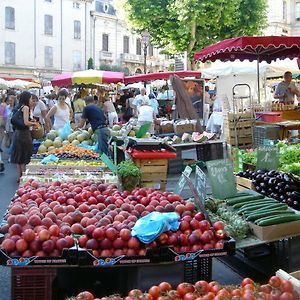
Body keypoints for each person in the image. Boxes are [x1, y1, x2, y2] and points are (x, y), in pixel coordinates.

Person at [11, 91, 37, 182]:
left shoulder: (17, 107)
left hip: (17, 133)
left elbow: (21, 119)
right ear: (27, 98)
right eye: (30, 98)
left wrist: (30, 120)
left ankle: (20, 176)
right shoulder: (25, 107)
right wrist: (33, 123)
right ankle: (24, 176)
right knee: (24, 155)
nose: (31, 100)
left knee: (18, 155)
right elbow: (26, 123)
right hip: (24, 134)